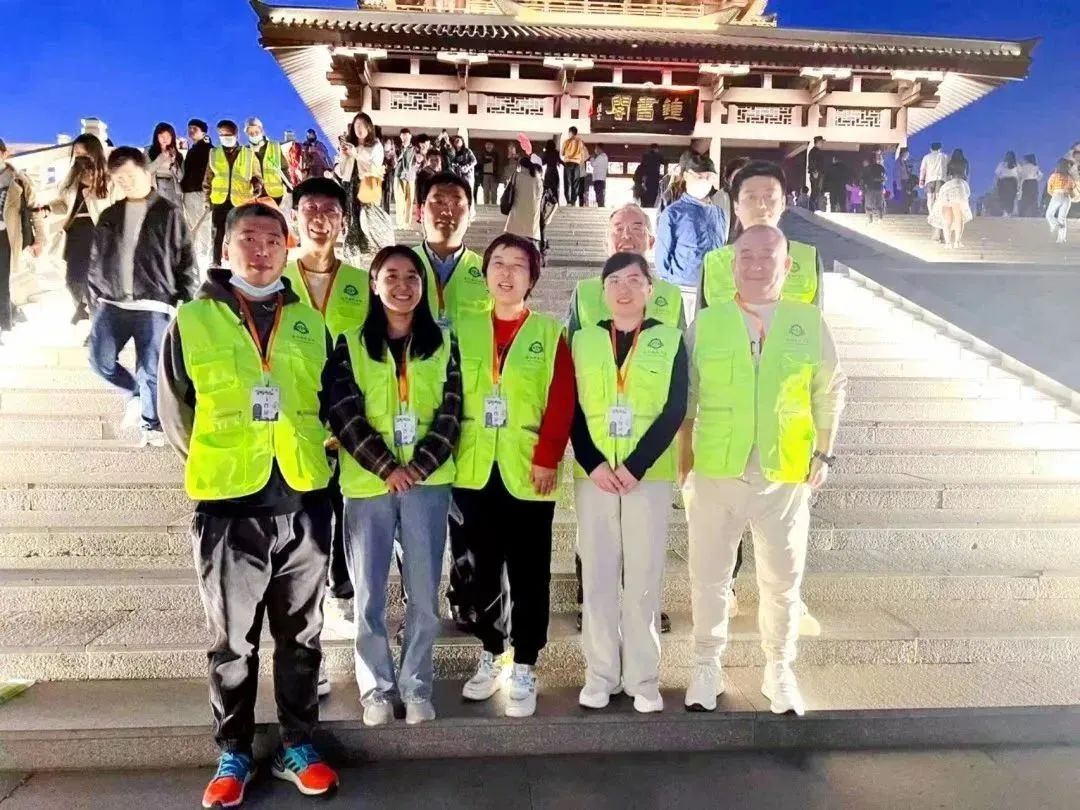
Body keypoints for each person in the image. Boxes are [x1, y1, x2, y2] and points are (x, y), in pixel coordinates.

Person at [157, 203, 339, 808]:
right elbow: (175, 411)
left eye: (271, 241)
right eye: (248, 239)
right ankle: (233, 750)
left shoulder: (309, 321)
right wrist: (220, 464)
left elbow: (330, 400)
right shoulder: (193, 319)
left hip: (304, 502)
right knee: (233, 642)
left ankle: (298, 745)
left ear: (287, 248)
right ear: (226, 248)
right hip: (230, 509)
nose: (261, 251)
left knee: (302, 636)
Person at [680, 224, 846, 717]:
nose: (755, 264)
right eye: (745, 255)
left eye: (767, 255)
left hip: (785, 473)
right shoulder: (707, 323)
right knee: (709, 577)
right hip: (716, 469)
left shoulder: (808, 321)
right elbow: (687, 395)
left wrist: (824, 453)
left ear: (787, 265)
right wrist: (684, 463)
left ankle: (779, 668)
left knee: (782, 580)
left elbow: (829, 390)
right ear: (732, 265)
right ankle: (706, 665)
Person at [325, 244, 461, 727]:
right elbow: (343, 412)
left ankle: (416, 685)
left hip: (428, 485)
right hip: (368, 486)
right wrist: (387, 467)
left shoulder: (443, 343)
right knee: (369, 595)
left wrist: (417, 468)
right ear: (374, 283)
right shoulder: (350, 342)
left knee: (424, 593)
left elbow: (452, 410)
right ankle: (376, 690)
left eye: (412, 277)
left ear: (423, 288)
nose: (402, 286)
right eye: (391, 276)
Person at [453, 234, 575, 719]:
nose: (506, 273)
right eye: (498, 263)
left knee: (528, 571)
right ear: (485, 273)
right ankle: (492, 651)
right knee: (480, 570)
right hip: (472, 469)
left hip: (529, 469)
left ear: (532, 278)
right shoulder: (462, 329)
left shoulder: (549, 332)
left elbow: (562, 399)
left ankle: (525, 661)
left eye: (517, 265)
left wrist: (548, 456)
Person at [571, 251, 687, 714]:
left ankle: (643, 678)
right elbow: (569, 405)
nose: (624, 289)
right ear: (602, 292)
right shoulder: (582, 340)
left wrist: (636, 464)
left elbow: (675, 408)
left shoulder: (670, 339)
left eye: (635, 280)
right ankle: (600, 674)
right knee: (598, 576)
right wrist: (594, 462)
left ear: (649, 290)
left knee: (643, 577)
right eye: (614, 280)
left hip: (648, 475)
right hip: (594, 477)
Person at [87, 147, 197, 448]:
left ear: (145, 172)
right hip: (112, 301)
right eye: (118, 179)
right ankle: (134, 394)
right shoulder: (110, 215)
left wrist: (186, 302)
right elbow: (96, 259)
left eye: (130, 176)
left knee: (150, 368)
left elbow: (186, 259)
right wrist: (93, 298)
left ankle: (151, 423)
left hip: (154, 301)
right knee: (99, 360)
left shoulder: (169, 213)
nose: (125, 182)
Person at [654, 152, 727, 324]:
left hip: (712, 289)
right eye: (699, 176)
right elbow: (662, 260)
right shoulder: (673, 214)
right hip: (683, 289)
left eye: (708, 176)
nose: (704, 180)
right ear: (686, 176)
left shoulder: (719, 213)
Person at [413, 172, 490, 327]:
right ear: (421, 211)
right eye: (438, 202)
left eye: (457, 204)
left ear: (470, 214)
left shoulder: (487, 272)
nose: (447, 212)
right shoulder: (400, 266)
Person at [55, 150, 112, 324]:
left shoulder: (102, 185)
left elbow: (107, 205)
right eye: (82, 170)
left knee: (91, 280)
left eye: (89, 169)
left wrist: (93, 188)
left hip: (93, 232)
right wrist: (47, 209)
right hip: (74, 233)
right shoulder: (70, 187)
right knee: (71, 279)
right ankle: (81, 306)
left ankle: (94, 319)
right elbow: (63, 205)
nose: (86, 173)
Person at [336, 112, 393, 255]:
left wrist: (355, 154)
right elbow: (342, 171)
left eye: (362, 125)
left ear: (369, 127)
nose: (358, 129)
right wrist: (344, 155)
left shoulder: (376, 146)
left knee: (368, 218)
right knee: (351, 219)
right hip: (349, 187)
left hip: (366, 187)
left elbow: (375, 167)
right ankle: (352, 250)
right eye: (356, 126)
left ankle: (376, 247)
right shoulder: (350, 145)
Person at [0, 138, 40, 344]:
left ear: (4, 154)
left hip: (6, 236)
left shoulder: (19, 180)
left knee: (1, 282)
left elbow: (35, 209)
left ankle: (3, 324)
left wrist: (39, 239)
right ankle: (12, 314)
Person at [204, 120, 259, 267]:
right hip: (219, 200)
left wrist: (257, 185)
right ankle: (216, 262)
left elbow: (256, 175)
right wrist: (206, 199)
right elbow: (208, 179)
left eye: (228, 134)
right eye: (221, 135)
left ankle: (239, 262)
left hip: (240, 201)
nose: (225, 137)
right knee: (217, 232)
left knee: (239, 233)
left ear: (236, 135)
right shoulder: (214, 154)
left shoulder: (248, 154)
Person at [180, 119, 213, 271]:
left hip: (201, 192)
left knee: (204, 226)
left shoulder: (208, 150)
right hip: (189, 192)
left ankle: (205, 257)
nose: (191, 131)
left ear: (203, 132)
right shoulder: (193, 150)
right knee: (192, 225)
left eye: (195, 129)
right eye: (190, 128)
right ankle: (195, 258)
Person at [503, 151, 545, 250]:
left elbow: (509, 192)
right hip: (532, 225)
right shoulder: (538, 180)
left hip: (515, 223)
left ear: (520, 166)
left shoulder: (516, 176)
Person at [928, 158, 973, 249]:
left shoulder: (946, 185)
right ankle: (957, 242)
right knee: (959, 220)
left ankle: (948, 243)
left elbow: (941, 194)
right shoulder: (963, 183)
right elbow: (967, 194)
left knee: (947, 221)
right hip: (958, 198)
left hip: (945, 198)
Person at [244, 117, 287, 204]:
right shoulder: (245, 151)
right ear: (247, 134)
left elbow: (284, 169)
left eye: (256, 132)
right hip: (256, 194)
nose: (254, 135)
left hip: (275, 194)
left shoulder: (274, 147)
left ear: (262, 131)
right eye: (251, 133)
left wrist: (289, 188)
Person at [147, 123, 184, 207]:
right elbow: (146, 171)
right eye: (162, 136)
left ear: (172, 137)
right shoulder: (148, 151)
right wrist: (161, 158)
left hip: (172, 188)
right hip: (155, 187)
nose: (165, 139)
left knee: (175, 212)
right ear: (157, 137)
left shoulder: (178, 155)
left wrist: (173, 163)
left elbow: (181, 177)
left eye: (168, 136)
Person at [919, 142, 949, 241]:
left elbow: (923, 169)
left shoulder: (926, 157)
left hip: (929, 180)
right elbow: (948, 169)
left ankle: (932, 214)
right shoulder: (945, 156)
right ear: (940, 148)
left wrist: (921, 180)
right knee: (938, 198)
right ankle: (938, 214)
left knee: (930, 198)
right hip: (941, 179)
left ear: (930, 149)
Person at [1045, 159, 1077, 244]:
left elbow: (1049, 189)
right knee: (1062, 218)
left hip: (1057, 194)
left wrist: (1054, 194)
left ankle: (1055, 225)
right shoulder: (1069, 177)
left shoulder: (1054, 176)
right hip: (1067, 198)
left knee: (1049, 214)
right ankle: (1061, 239)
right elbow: (1072, 189)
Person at [393, 128, 417, 228]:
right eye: (403, 136)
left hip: (410, 176)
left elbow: (418, 161)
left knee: (409, 200)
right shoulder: (397, 149)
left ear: (410, 136)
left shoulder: (415, 149)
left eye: (406, 136)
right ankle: (399, 223)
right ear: (400, 137)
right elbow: (393, 162)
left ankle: (407, 223)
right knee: (399, 200)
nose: (405, 138)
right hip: (398, 175)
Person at [560, 126, 588, 206]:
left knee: (567, 182)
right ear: (576, 133)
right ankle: (573, 200)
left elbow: (562, 153)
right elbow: (583, 154)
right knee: (575, 183)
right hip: (577, 164)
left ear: (570, 132)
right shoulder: (580, 142)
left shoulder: (566, 141)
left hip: (568, 163)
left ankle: (568, 201)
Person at [860, 151, 888, 224]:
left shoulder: (867, 168)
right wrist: (883, 186)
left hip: (870, 188)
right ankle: (880, 218)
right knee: (879, 203)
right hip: (879, 187)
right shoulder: (881, 167)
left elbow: (862, 180)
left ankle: (870, 218)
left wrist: (862, 189)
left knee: (868, 204)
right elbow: (884, 178)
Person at [994, 151, 1020, 217]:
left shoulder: (1002, 164)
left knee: (1003, 197)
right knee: (1011, 198)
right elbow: (1020, 174)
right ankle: (1009, 211)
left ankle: (1005, 211)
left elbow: (997, 174)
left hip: (1003, 182)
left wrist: (996, 183)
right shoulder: (1017, 165)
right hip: (1013, 182)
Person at [807, 135, 826, 210]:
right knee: (815, 191)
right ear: (818, 142)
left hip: (817, 173)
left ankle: (814, 208)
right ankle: (812, 208)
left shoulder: (815, 151)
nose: (822, 144)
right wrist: (814, 171)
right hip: (816, 174)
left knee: (816, 191)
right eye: (821, 142)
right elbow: (812, 162)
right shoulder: (814, 151)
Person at [479, 141, 501, 206]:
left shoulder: (496, 154)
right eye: (487, 145)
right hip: (485, 174)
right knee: (485, 191)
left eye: (490, 145)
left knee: (494, 191)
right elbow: (481, 162)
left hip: (494, 174)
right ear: (485, 146)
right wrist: (490, 160)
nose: (488, 146)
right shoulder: (483, 153)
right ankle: (486, 205)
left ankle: (494, 205)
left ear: (493, 146)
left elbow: (498, 164)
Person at [896, 147, 916, 214]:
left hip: (905, 181)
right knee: (904, 197)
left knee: (907, 197)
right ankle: (904, 211)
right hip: (902, 181)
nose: (908, 156)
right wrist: (898, 184)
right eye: (907, 154)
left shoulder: (904, 162)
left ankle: (906, 210)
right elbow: (898, 173)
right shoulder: (899, 162)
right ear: (903, 154)